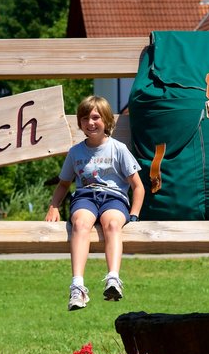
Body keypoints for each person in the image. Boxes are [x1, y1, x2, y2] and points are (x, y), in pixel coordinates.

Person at [46, 96, 144, 311]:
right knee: (80, 224)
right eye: (84, 118)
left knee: (112, 224)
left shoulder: (118, 149)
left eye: (95, 117)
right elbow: (63, 184)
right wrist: (53, 207)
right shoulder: (76, 152)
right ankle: (77, 286)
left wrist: (134, 215)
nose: (90, 123)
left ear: (106, 120)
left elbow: (138, 186)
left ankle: (113, 279)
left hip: (114, 197)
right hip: (85, 197)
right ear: (80, 124)